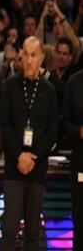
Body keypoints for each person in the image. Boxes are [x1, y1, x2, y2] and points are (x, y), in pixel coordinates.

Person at [0, 36, 58, 251]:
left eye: (34, 55)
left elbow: (52, 132)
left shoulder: (49, 91)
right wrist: (19, 156)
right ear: (21, 57)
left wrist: (32, 157)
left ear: (42, 59)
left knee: (33, 233)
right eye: (26, 54)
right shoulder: (9, 86)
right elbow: (4, 126)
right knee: (9, 231)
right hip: (14, 168)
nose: (29, 60)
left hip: (37, 168)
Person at [62, 69, 83, 251]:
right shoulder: (74, 82)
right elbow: (65, 122)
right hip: (81, 164)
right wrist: (79, 132)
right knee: (80, 219)